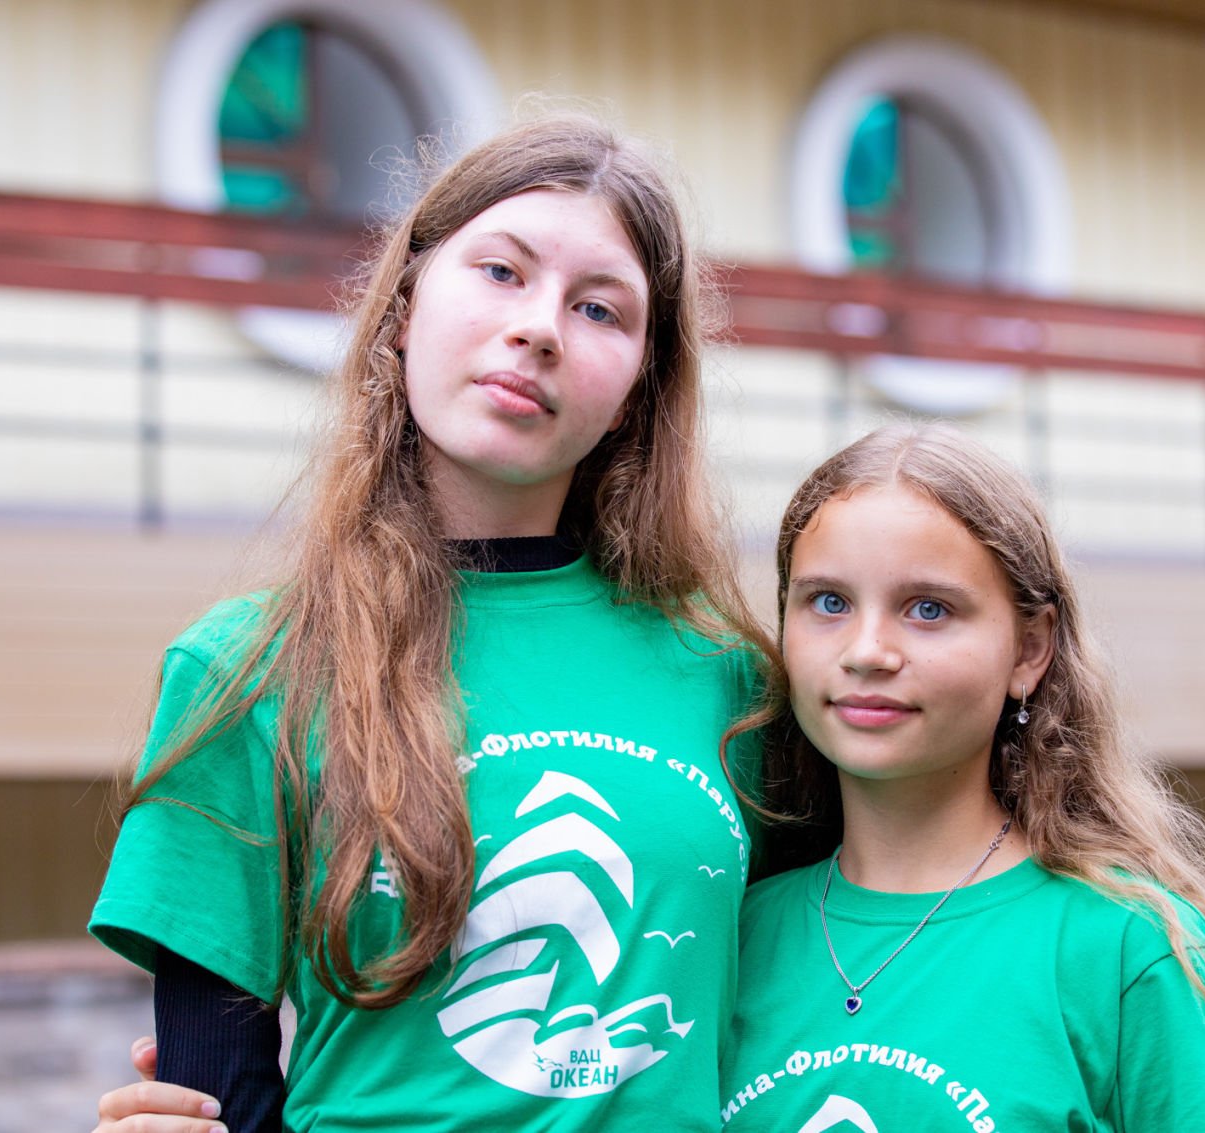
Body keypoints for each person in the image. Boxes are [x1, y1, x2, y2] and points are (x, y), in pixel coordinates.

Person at [88, 114, 769, 1133]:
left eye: (599, 308)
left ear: (637, 388)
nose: (539, 327)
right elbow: (217, 1091)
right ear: (405, 307)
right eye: (501, 271)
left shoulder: (730, 678)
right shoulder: (244, 670)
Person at [717, 423, 1205, 1132]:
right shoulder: (730, 933)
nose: (866, 651)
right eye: (829, 602)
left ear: (1029, 649)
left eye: (928, 609)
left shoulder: (1126, 948)